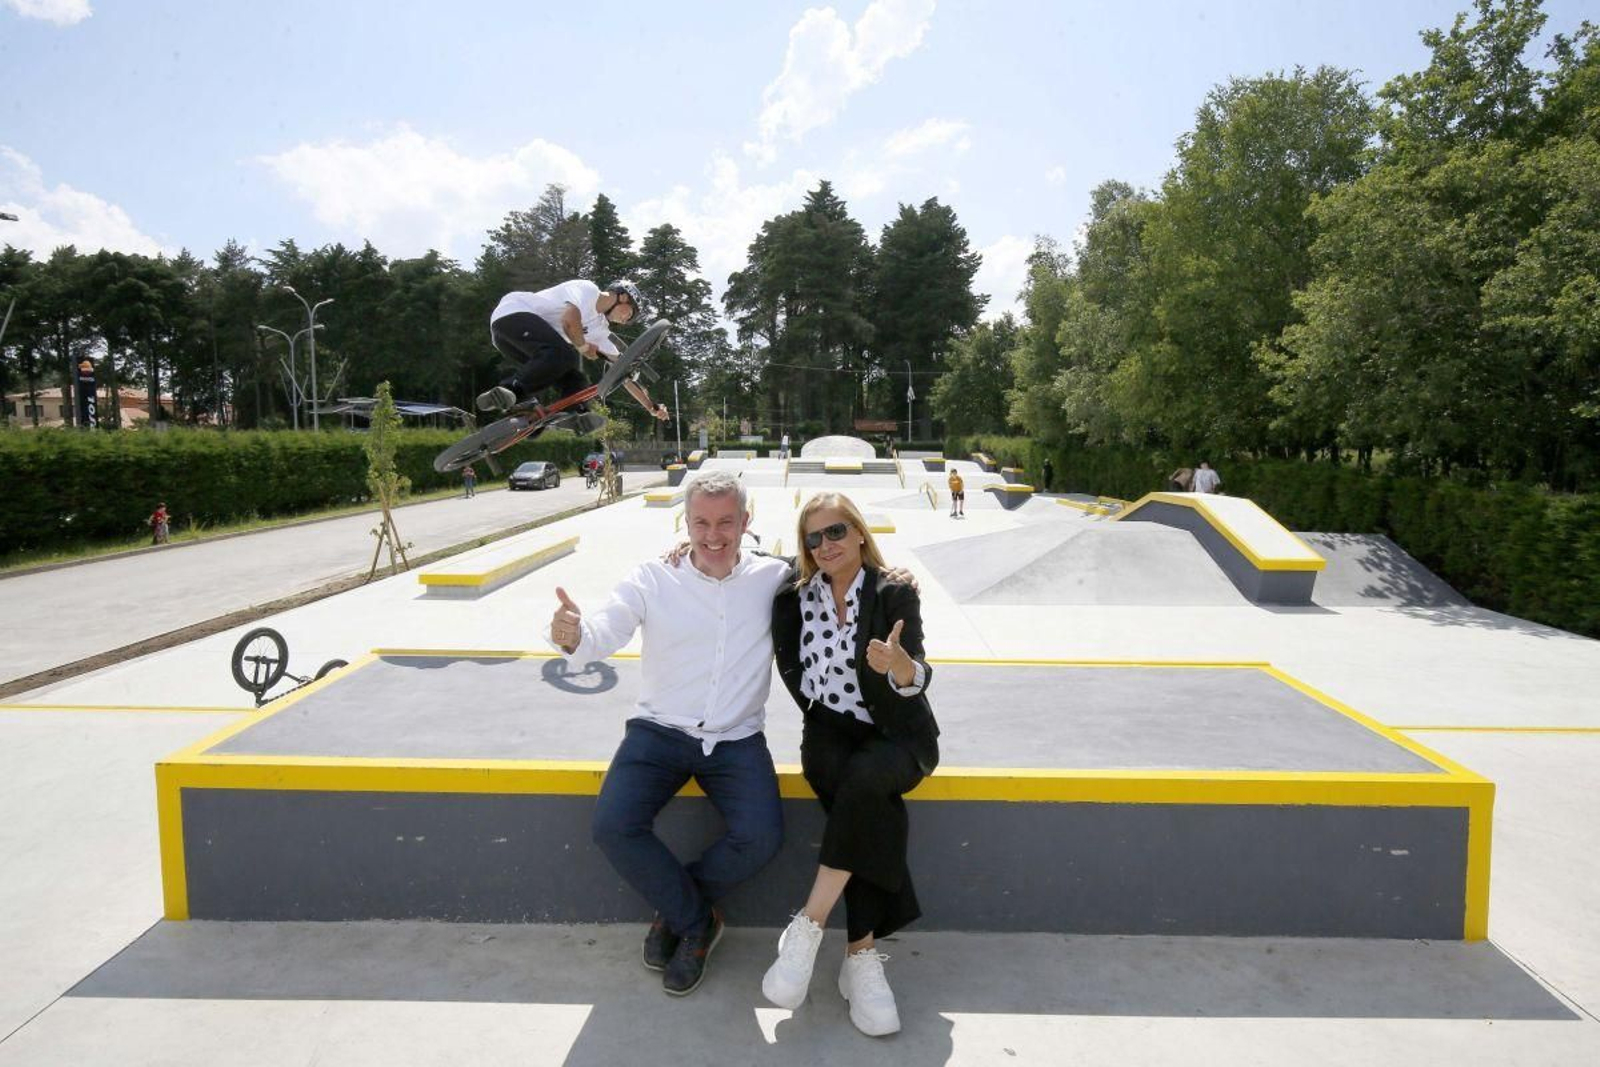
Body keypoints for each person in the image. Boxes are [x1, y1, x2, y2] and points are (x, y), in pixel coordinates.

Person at [548, 471, 792, 997]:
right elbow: (603, 632)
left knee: (763, 838)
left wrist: (895, 577)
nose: (712, 535)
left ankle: (678, 908)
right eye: (701, 522)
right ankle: (698, 921)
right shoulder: (653, 577)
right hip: (658, 732)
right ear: (685, 522)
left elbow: (834, 568)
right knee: (614, 826)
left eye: (726, 521)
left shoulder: (773, 578)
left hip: (736, 739)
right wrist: (574, 636)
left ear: (746, 522)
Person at [760, 492, 938, 1037]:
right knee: (867, 804)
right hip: (828, 731)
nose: (825, 545)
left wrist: (901, 666)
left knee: (865, 784)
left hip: (897, 733)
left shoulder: (893, 592)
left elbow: (920, 677)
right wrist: (680, 547)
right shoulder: (793, 595)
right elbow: (730, 552)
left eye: (835, 532)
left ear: (859, 532)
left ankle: (811, 927)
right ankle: (859, 960)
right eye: (813, 538)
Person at [475, 278, 670, 431]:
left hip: (516, 342)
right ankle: (511, 389)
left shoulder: (600, 330)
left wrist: (651, 407)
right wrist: (584, 347)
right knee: (564, 355)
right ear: (624, 297)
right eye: (631, 313)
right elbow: (570, 318)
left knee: (573, 378)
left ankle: (572, 416)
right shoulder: (588, 290)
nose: (627, 321)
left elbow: (623, 372)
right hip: (513, 314)